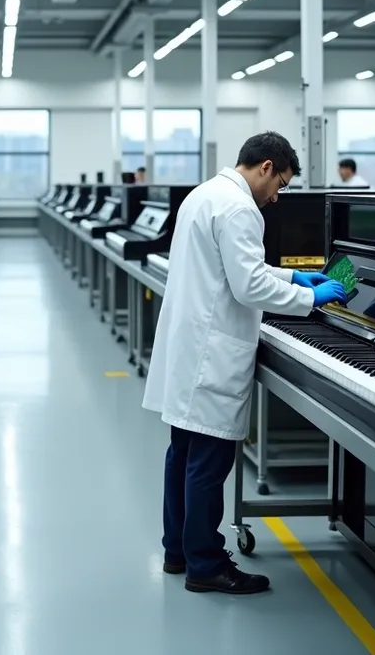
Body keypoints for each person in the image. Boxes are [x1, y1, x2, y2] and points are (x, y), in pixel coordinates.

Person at [142, 131, 347, 595]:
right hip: (211, 353)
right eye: (281, 184)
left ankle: (177, 551)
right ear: (266, 167)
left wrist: (293, 274)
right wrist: (309, 297)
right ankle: (206, 564)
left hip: (191, 345)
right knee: (208, 463)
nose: (277, 197)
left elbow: (236, 267)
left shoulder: (205, 195)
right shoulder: (240, 209)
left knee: (183, 454)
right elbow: (249, 286)